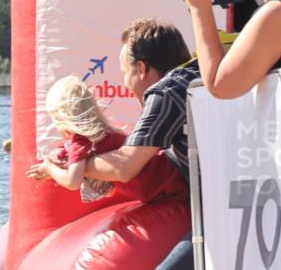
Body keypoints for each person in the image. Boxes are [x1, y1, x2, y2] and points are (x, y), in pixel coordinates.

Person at [84, 19, 201, 270]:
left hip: (234, 212)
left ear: (143, 68)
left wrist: (75, 165)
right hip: (261, 203)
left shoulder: (165, 91)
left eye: (125, 73)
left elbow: (126, 167)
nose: (128, 85)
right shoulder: (204, 72)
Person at [26, 76, 186, 203]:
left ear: (62, 119)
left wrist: (50, 169)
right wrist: (59, 156)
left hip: (169, 182)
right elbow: (69, 151)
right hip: (168, 175)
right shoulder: (97, 136)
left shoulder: (81, 142)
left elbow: (72, 182)